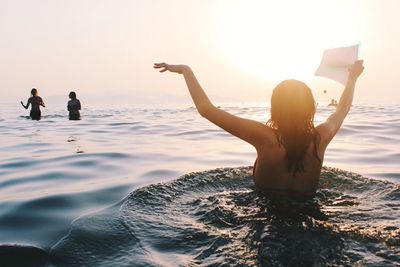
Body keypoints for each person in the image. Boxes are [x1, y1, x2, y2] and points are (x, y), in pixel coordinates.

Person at [154, 60, 364, 198]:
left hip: (267, 221)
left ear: (274, 108)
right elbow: (342, 110)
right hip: (310, 218)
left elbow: (206, 109)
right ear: (311, 107)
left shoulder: (266, 139)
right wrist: (352, 79)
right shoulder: (321, 138)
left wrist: (185, 70)